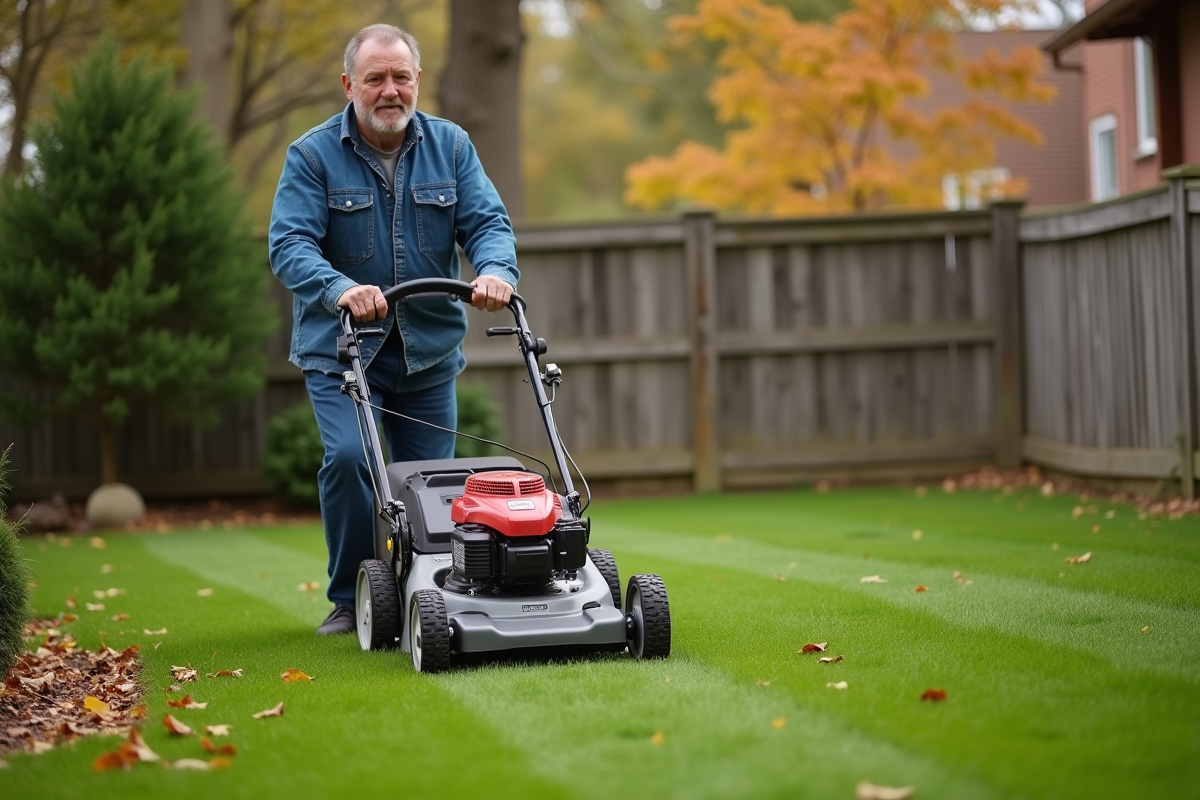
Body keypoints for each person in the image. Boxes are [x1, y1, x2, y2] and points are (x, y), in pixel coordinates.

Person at [269, 23, 517, 635]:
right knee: (352, 459)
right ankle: (349, 598)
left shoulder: (452, 146)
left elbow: (487, 222)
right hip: (344, 350)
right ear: (349, 83)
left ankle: (421, 595)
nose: (389, 90)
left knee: (428, 485)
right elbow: (289, 243)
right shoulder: (312, 154)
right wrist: (339, 289)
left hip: (428, 350)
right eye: (375, 78)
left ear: (417, 81)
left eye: (400, 77)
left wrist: (492, 269)